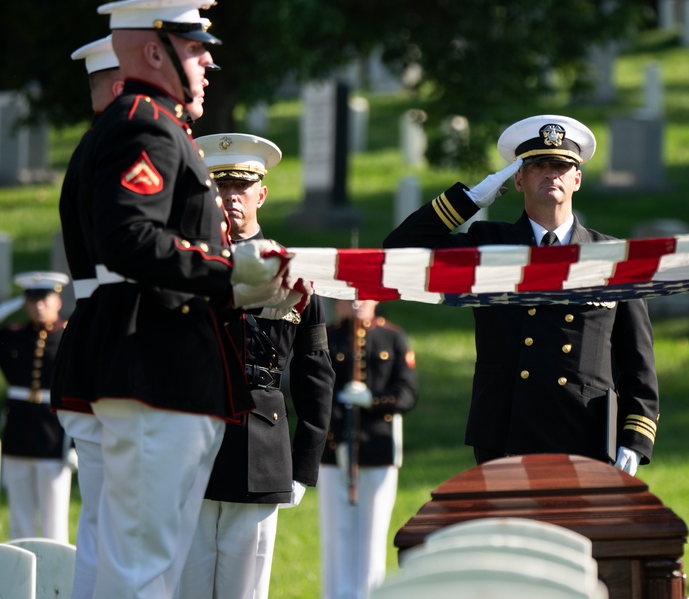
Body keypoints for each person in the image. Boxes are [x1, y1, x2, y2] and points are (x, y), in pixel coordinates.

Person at [53, 0, 300, 599]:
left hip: (154, 366)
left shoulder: (153, 123)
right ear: (151, 51)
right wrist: (231, 272)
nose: (206, 65)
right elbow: (131, 238)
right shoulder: (147, 123)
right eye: (193, 50)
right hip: (154, 366)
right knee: (146, 567)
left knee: (132, 559)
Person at [384, 114, 659, 474]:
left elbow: (637, 360)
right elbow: (399, 249)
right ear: (517, 178)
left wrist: (635, 439)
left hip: (587, 434)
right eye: (538, 166)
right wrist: (470, 200)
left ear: (577, 179)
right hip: (506, 433)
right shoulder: (489, 245)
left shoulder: (611, 255)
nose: (551, 174)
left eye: (562, 166)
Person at [174, 133, 335, 599]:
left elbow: (315, 372)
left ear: (260, 194)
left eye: (240, 188)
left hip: (259, 447)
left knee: (245, 591)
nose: (229, 199)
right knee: (189, 586)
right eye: (219, 188)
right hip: (192, 445)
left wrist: (304, 463)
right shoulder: (183, 266)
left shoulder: (294, 274)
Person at [59, 32, 123, 599]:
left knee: (104, 528)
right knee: (120, 533)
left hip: (95, 343)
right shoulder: (114, 149)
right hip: (121, 349)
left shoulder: (93, 147)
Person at [319, 299, 418, 599]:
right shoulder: (326, 336)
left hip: (377, 448)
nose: (356, 302)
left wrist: (372, 399)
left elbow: (407, 393)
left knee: (372, 535)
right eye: (348, 294)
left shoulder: (392, 337)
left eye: (363, 294)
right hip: (334, 449)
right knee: (335, 532)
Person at [0, 271, 72, 542]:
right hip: (18, 431)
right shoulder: (12, 335)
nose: (38, 305)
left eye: (44, 298)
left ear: (57, 300)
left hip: (54, 434)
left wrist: (74, 443)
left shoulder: (69, 336)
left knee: (55, 519)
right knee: (19, 519)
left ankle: (55, 582)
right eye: (31, 299)